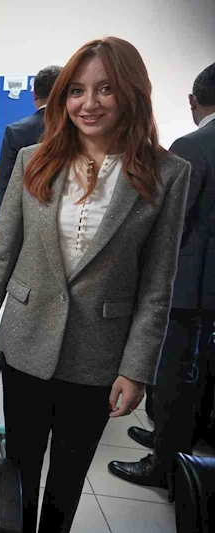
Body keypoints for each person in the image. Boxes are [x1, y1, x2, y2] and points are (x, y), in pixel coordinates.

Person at [0, 37, 191, 533]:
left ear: (131, 93)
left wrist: (136, 368)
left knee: (69, 472)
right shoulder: (33, 159)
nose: (88, 103)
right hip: (25, 340)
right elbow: (4, 253)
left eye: (105, 89)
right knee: (19, 466)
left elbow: (157, 284)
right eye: (76, 91)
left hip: (100, 351)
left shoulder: (167, 173)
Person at [108, 61, 215, 489]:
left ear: (193, 100)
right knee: (195, 373)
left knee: (173, 376)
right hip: (206, 290)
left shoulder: (193, 145)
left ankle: (165, 464)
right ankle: (169, 441)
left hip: (186, 288)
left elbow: (172, 225)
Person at [0, 66, 62, 223]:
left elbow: (5, 186)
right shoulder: (80, 129)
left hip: (28, 218)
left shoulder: (16, 131)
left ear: (34, 95)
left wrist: (1, 228)